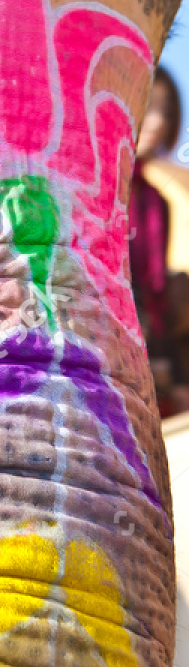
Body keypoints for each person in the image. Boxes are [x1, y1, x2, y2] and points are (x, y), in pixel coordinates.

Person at [131, 67, 189, 416]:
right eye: (147, 105)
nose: (156, 122)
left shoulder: (158, 198)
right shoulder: (98, 187)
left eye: (166, 111)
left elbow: (158, 292)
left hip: (157, 349)